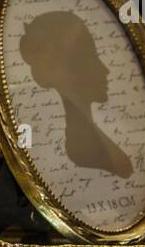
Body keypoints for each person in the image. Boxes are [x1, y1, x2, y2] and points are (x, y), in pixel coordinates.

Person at [20, 10, 134, 179]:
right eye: (92, 58)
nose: (106, 70)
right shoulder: (82, 145)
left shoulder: (88, 134)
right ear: (68, 71)